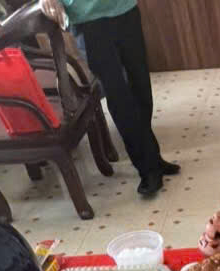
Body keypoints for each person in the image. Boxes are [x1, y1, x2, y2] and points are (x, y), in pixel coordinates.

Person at [40, 0, 178, 196]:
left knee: (141, 87)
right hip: (89, 19)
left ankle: (153, 158)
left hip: (125, 8)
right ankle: (147, 169)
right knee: (118, 93)